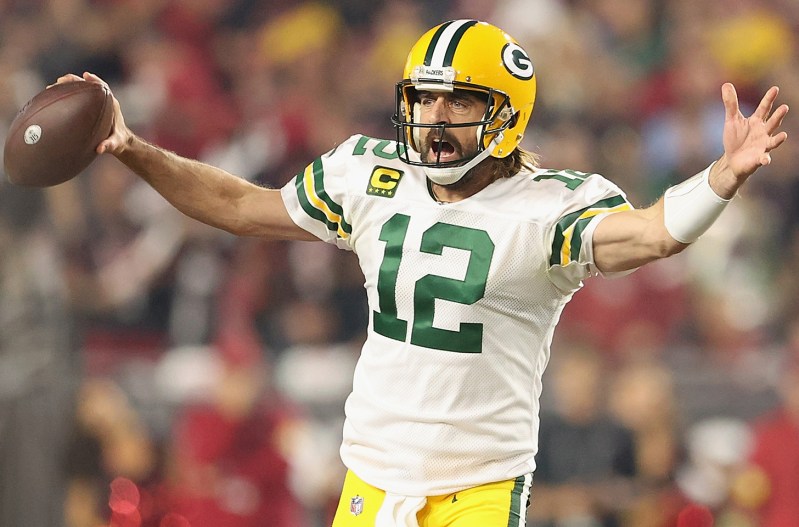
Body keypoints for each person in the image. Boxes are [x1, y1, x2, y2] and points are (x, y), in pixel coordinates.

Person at [56, 18, 789, 527]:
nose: (434, 118)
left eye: (458, 101)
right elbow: (241, 206)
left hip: (478, 484)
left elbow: (653, 234)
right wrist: (133, 149)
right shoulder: (367, 174)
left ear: (505, 114)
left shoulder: (548, 207)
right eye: (423, 98)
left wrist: (720, 178)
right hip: (373, 473)